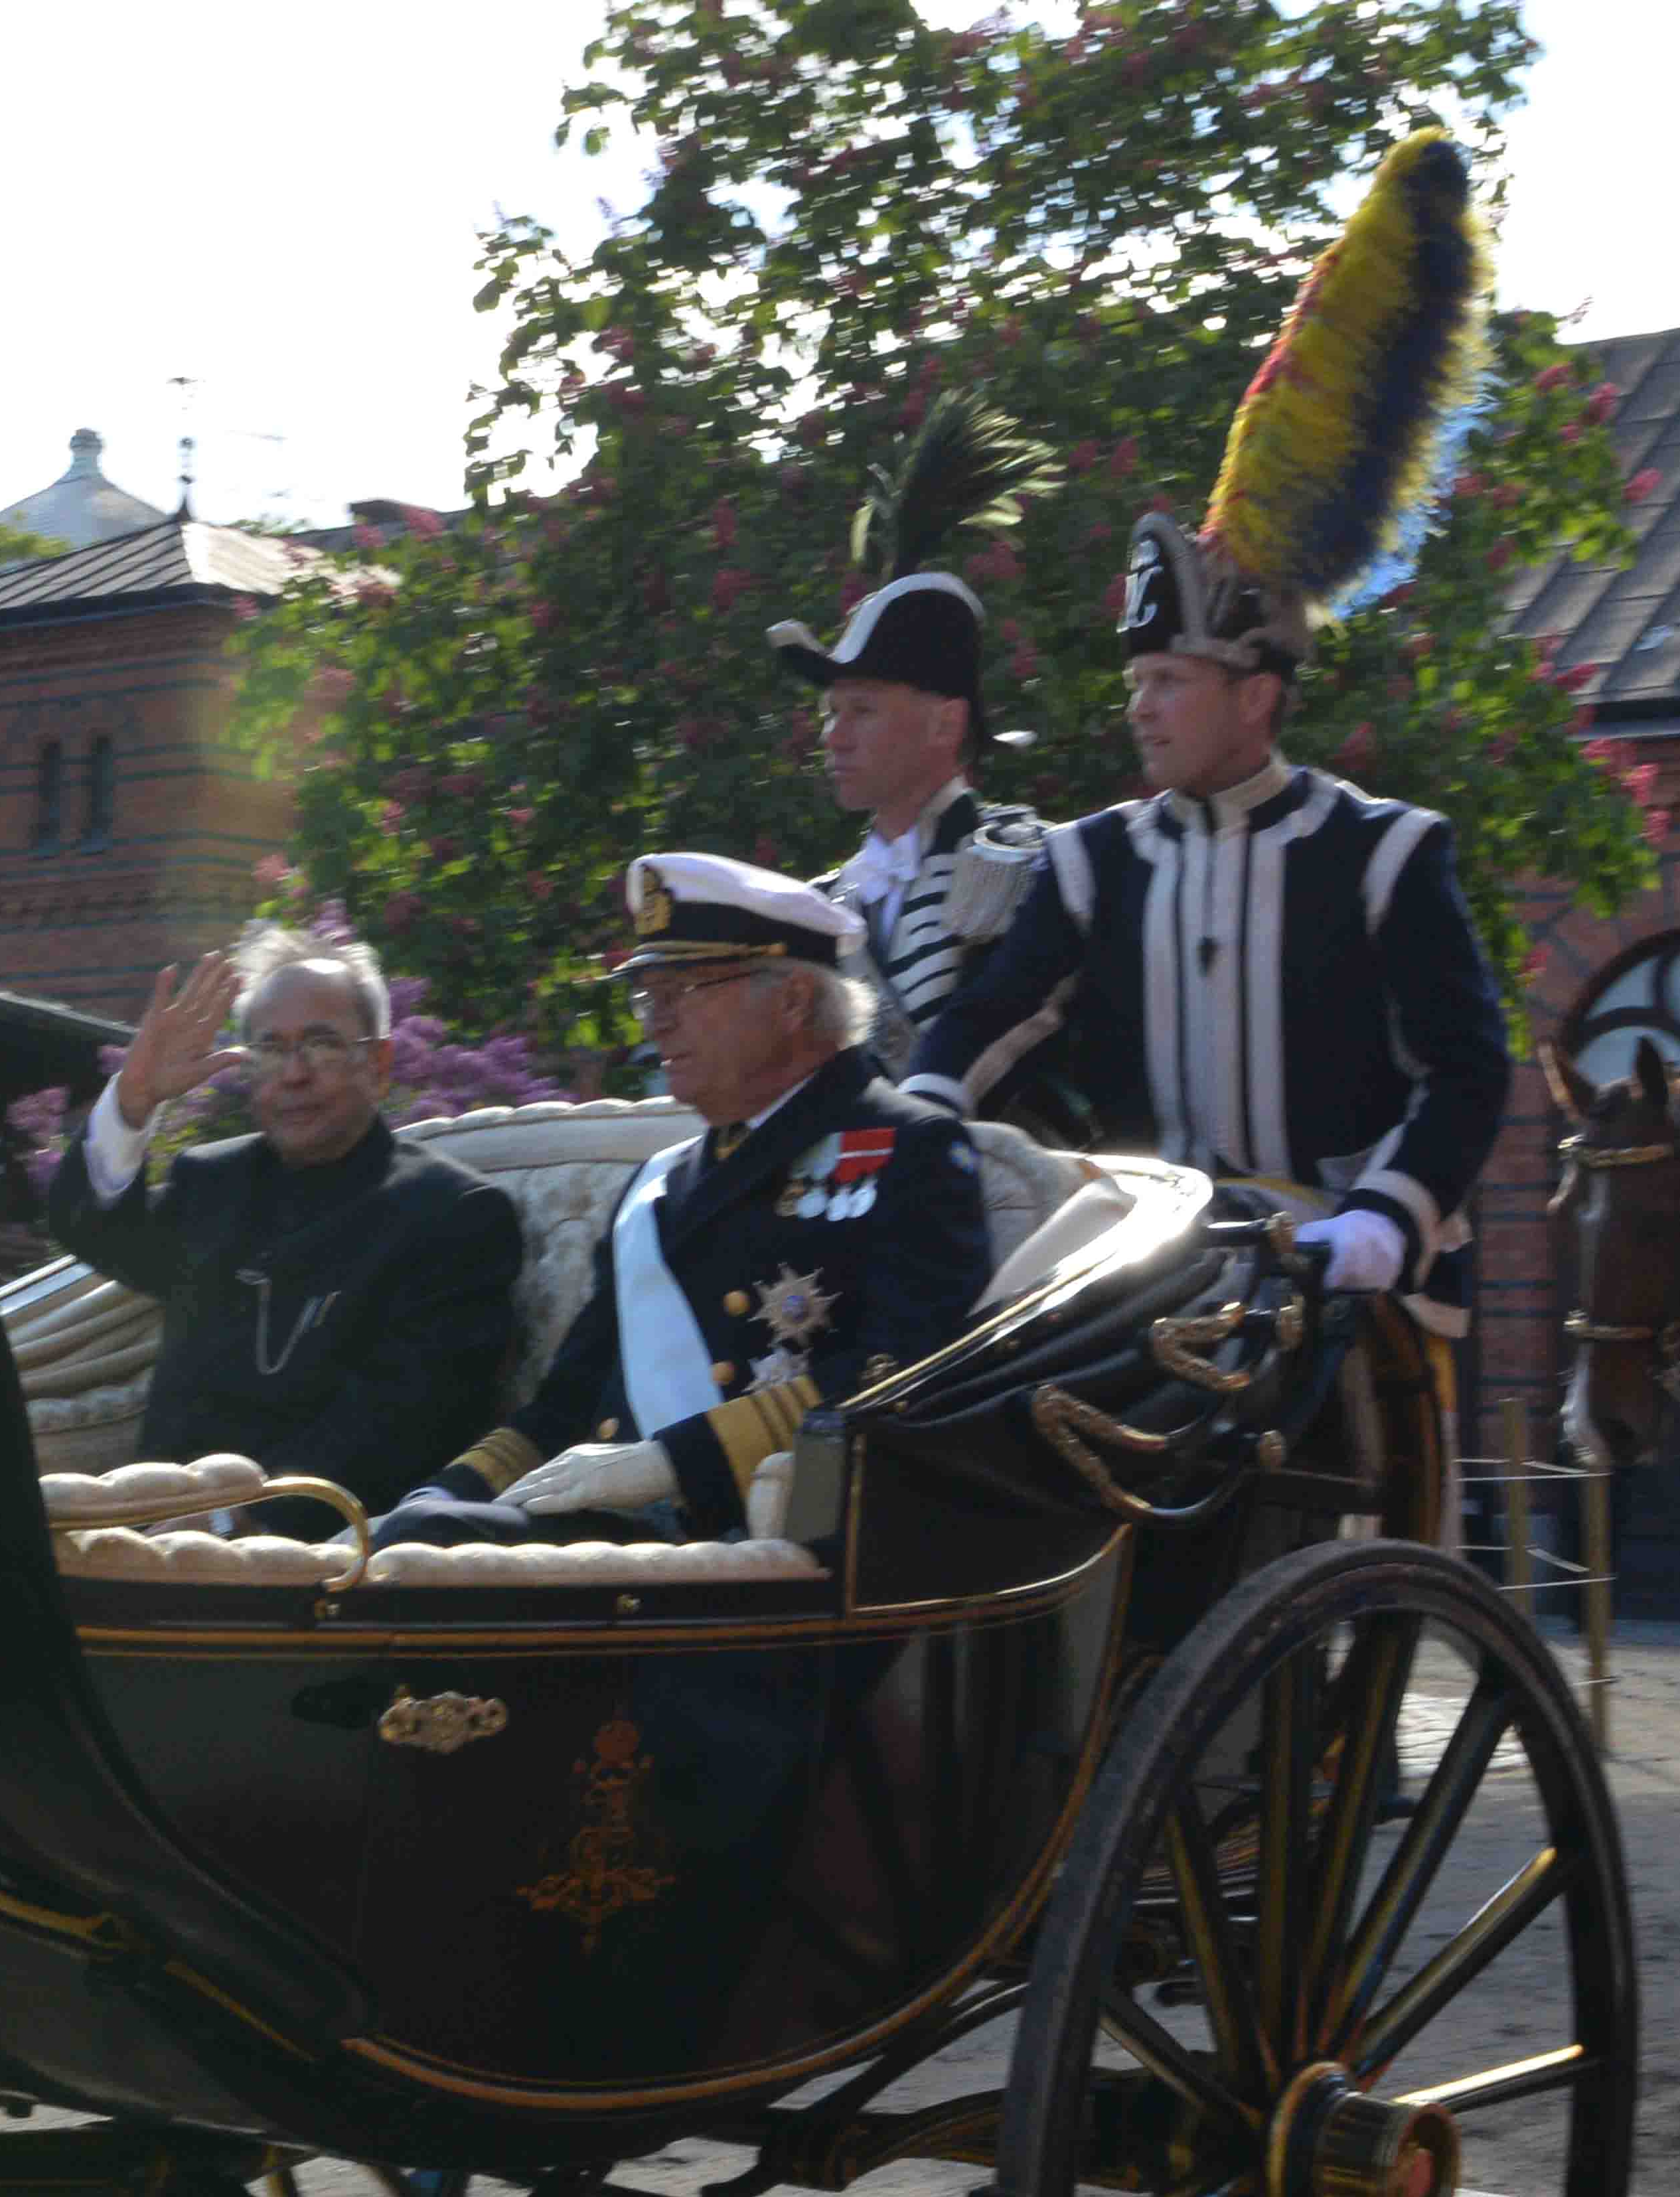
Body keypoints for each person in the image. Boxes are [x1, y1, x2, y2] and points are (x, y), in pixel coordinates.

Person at [903, 127, 1517, 1331]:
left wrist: (1390, 1215)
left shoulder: (1388, 855)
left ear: (1257, 690)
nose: (1139, 705)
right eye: (1136, 679)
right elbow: (989, 1020)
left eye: (1170, 678)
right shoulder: (1091, 864)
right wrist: (914, 1109)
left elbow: (1468, 1070)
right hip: (1158, 1260)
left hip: (1352, 1278)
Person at [374, 854, 990, 1547]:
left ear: (791, 1001)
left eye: (685, 988)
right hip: (624, 1542)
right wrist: (426, 1499)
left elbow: (908, 1372)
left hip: (767, 1557)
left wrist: (669, 1461)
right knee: (409, 1537)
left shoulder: (910, 1148)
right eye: (647, 994)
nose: (655, 1021)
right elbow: (564, 1404)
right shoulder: (658, 1182)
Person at [46, 926, 523, 1515]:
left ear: (378, 1063)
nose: (294, 1074)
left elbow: (395, 1430)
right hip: (153, 1532)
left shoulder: (451, 1216)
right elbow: (88, 1225)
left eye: (320, 1044)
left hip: (318, 1560)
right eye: (270, 1049)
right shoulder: (212, 1182)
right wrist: (134, 1100)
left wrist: (232, 1527)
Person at [767, 394, 1055, 1068]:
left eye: (862, 710)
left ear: (944, 722)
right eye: (831, 713)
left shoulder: (1026, 865)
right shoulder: (822, 904)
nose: (834, 737)